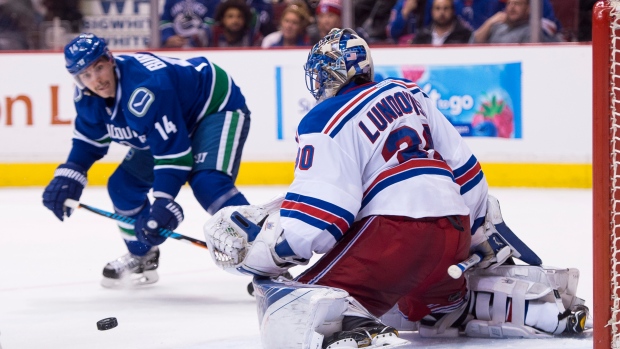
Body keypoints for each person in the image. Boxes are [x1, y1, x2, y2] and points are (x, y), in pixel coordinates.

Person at [203, 28, 589, 348]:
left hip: (392, 237)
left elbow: (323, 219)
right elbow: (468, 173)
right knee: (429, 303)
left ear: (324, 77)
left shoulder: (322, 117)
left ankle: (355, 332)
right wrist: (473, 234)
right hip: (451, 232)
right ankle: (521, 308)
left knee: (293, 303)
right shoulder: (410, 93)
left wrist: (267, 261)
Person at [42, 33, 252, 288]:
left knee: (208, 183)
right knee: (123, 186)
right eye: (86, 75)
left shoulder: (146, 87)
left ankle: (265, 256)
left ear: (110, 60)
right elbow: (88, 142)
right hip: (171, 118)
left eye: (98, 68)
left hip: (212, 105)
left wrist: (164, 201)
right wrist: (70, 173)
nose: (95, 80)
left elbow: (173, 155)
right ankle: (143, 255)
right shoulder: (86, 98)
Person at [470, 0, 561, 43]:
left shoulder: (531, 33)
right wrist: (490, 22)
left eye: (517, 4)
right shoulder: (497, 27)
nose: (511, 8)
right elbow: (473, 43)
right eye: (509, 3)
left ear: (528, 9)